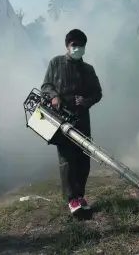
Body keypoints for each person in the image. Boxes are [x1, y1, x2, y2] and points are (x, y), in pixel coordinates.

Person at [41, 29, 103, 214]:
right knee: (67, 159)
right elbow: (46, 86)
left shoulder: (88, 69)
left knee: (84, 158)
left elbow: (97, 93)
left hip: (82, 119)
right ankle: (72, 199)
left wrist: (86, 101)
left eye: (81, 46)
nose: (77, 48)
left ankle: (80, 195)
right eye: (74, 45)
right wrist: (54, 96)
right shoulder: (56, 63)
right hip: (61, 120)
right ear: (67, 46)